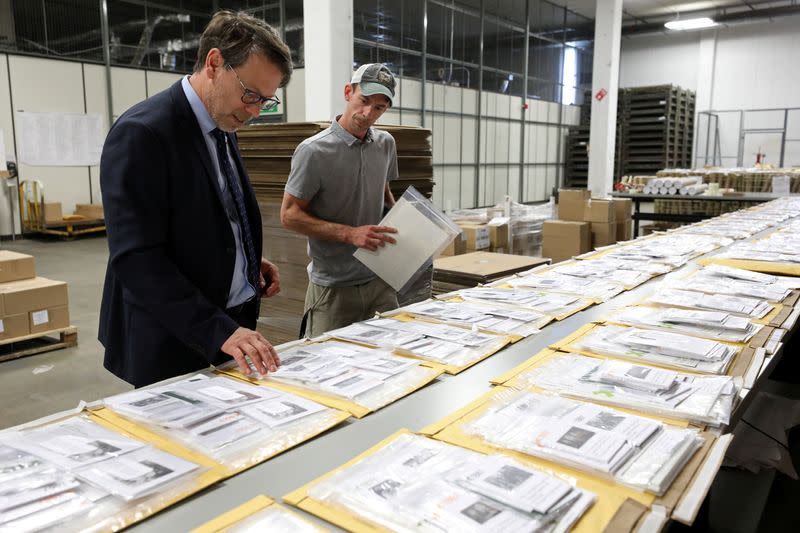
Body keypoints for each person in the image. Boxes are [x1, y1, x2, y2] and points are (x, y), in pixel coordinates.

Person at [99, 11, 293, 387]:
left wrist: (245, 257)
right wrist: (216, 328)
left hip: (227, 326)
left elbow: (213, 212)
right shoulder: (143, 134)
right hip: (173, 339)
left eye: (265, 101)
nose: (255, 111)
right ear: (215, 63)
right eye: (250, 94)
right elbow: (137, 259)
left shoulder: (222, 122)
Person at [281, 63, 401, 338]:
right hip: (334, 288)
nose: (368, 113)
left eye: (379, 107)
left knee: (390, 361)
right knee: (323, 371)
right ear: (349, 92)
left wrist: (406, 222)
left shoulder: (386, 144)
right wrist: (349, 234)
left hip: (380, 281)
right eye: (364, 101)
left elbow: (383, 190)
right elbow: (288, 215)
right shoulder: (313, 151)